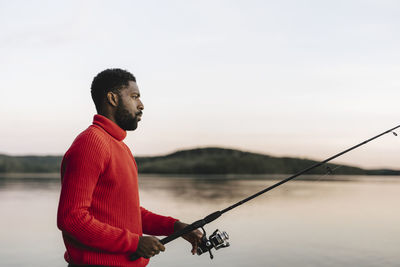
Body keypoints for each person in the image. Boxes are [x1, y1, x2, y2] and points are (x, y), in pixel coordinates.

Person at [57, 68, 202, 267]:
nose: (141, 105)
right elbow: (72, 219)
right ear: (112, 99)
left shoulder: (120, 147)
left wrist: (176, 227)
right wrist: (134, 243)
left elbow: (128, 213)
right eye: (134, 97)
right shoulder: (91, 143)